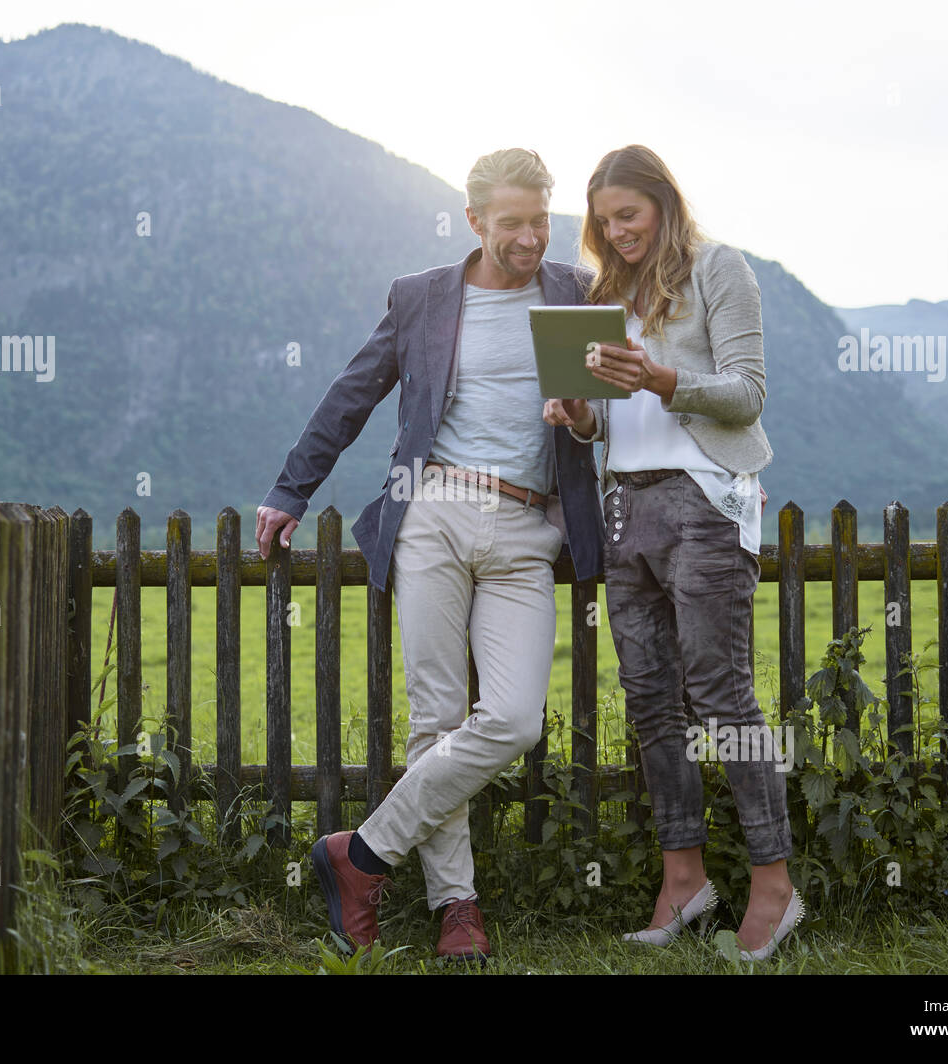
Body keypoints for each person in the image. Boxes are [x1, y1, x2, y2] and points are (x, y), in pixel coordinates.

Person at [256, 148, 603, 961]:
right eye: (511, 221)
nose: (528, 237)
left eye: (539, 219)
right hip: (435, 510)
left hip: (528, 529)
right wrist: (289, 489)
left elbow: (603, 425)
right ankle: (457, 906)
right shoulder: (422, 299)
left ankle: (361, 854)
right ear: (475, 219)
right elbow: (352, 392)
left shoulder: (575, 294)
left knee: (513, 719)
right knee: (436, 717)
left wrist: (582, 417)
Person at [544, 144, 803, 960]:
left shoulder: (720, 268)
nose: (618, 232)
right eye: (605, 220)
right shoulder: (605, 294)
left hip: (704, 501)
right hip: (627, 502)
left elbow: (748, 392)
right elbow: (606, 422)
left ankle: (775, 886)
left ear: (663, 203)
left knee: (723, 696)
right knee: (652, 700)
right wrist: (579, 415)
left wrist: (659, 379)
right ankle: (684, 881)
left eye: (630, 214)